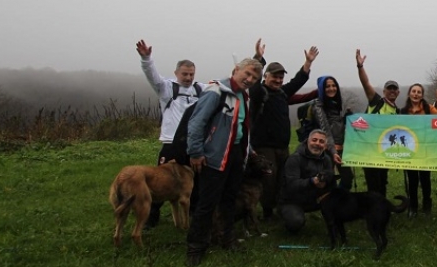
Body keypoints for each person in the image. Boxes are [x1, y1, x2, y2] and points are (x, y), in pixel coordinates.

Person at [185, 58, 262, 267]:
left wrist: (248, 150)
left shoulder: (244, 96)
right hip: (214, 156)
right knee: (206, 203)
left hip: (236, 154)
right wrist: (195, 152)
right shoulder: (216, 91)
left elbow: (241, 127)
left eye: (254, 78)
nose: (249, 79)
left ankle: (227, 239)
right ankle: (195, 246)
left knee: (230, 199)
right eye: (247, 74)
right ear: (236, 70)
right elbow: (196, 123)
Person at [248, 39, 323, 221]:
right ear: (266, 76)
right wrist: (258, 58)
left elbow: (298, 81)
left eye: (281, 77)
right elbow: (253, 82)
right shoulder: (259, 94)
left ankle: (280, 208)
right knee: (269, 180)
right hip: (264, 146)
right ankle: (267, 213)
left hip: (282, 146)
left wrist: (308, 63)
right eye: (275, 76)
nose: (278, 80)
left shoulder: (282, 93)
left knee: (282, 179)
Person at [135, 39, 206, 229]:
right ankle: (151, 216)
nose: (188, 77)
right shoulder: (167, 88)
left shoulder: (200, 89)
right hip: (171, 144)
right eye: (184, 74)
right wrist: (146, 58)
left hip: (194, 144)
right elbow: (152, 76)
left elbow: (222, 90)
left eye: (191, 74)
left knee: (196, 182)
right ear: (176, 73)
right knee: (161, 182)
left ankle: (194, 215)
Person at [399, 83, 437, 217]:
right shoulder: (402, 111)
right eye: (413, 91)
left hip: (426, 148)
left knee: (425, 179)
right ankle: (413, 207)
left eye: (418, 92)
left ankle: (427, 206)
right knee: (412, 180)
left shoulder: (428, 108)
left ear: (422, 95)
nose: (416, 94)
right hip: (409, 150)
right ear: (409, 93)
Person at [355, 49, 398, 196]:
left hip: (385, 152)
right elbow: (365, 83)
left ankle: (381, 210)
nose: (392, 91)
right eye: (389, 89)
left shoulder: (398, 112)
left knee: (383, 181)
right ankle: (373, 213)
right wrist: (360, 67)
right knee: (373, 184)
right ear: (384, 91)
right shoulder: (376, 101)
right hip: (369, 151)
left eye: (394, 89)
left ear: (398, 92)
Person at [301, 75, 354, 190]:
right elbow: (325, 131)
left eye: (334, 85)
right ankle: (326, 203)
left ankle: (338, 200)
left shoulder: (336, 104)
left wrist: (347, 118)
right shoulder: (318, 106)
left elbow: (336, 126)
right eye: (327, 86)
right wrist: (334, 152)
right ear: (321, 89)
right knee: (327, 180)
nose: (331, 88)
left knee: (348, 178)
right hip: (326, 150)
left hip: (339, 148)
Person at [280, 129, 335, 233]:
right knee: (295, 223)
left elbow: (331, 180)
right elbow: (291, 185)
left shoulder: (327, 159)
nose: (317, 144)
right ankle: (285, 213)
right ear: (307, 141)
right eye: (314, 140)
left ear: (325, 146)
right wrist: (311, 182)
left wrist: (326, 183)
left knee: (339, 201)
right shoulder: (294, 159)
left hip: (316, 199)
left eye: (321, 141)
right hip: (292, 200)